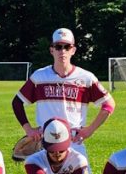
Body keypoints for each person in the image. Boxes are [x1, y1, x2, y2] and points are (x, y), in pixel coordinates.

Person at [12, 28, 115, 159]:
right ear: (52, 50)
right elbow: (17, 102)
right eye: (58, 46)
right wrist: (29, 130)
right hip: (46, 143)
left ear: (73, 50)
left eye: (67, 47)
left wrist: (89, 130)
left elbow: (109, 104)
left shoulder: (86, 78)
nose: (63, 51)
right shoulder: (39, 77)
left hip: (74, 143)